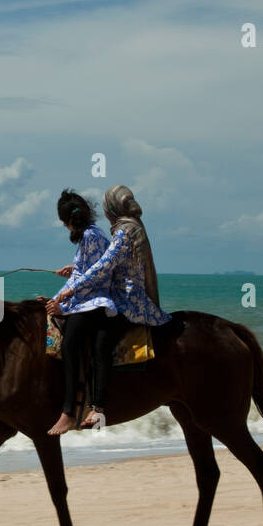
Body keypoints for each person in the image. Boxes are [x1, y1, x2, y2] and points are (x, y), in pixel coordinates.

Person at [50, 185, 171, 429]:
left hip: (127, 300)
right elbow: (108, 262)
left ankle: (95, 408)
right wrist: (75, 272)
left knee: (100, 344)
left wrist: (71, 290)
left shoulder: (125, 231)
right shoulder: (120, 230)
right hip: (118, 296)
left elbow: (106, 265)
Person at [45, 190, 123, 435]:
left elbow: (95, 275)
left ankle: (69, 412)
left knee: (69, 345)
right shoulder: (92, 235)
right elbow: (83, 271)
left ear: (69, 221)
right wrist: (67, 281)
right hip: (89, 298)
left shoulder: (90, 237)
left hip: (96, 301)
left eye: (64, 223)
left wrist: (63, 298)